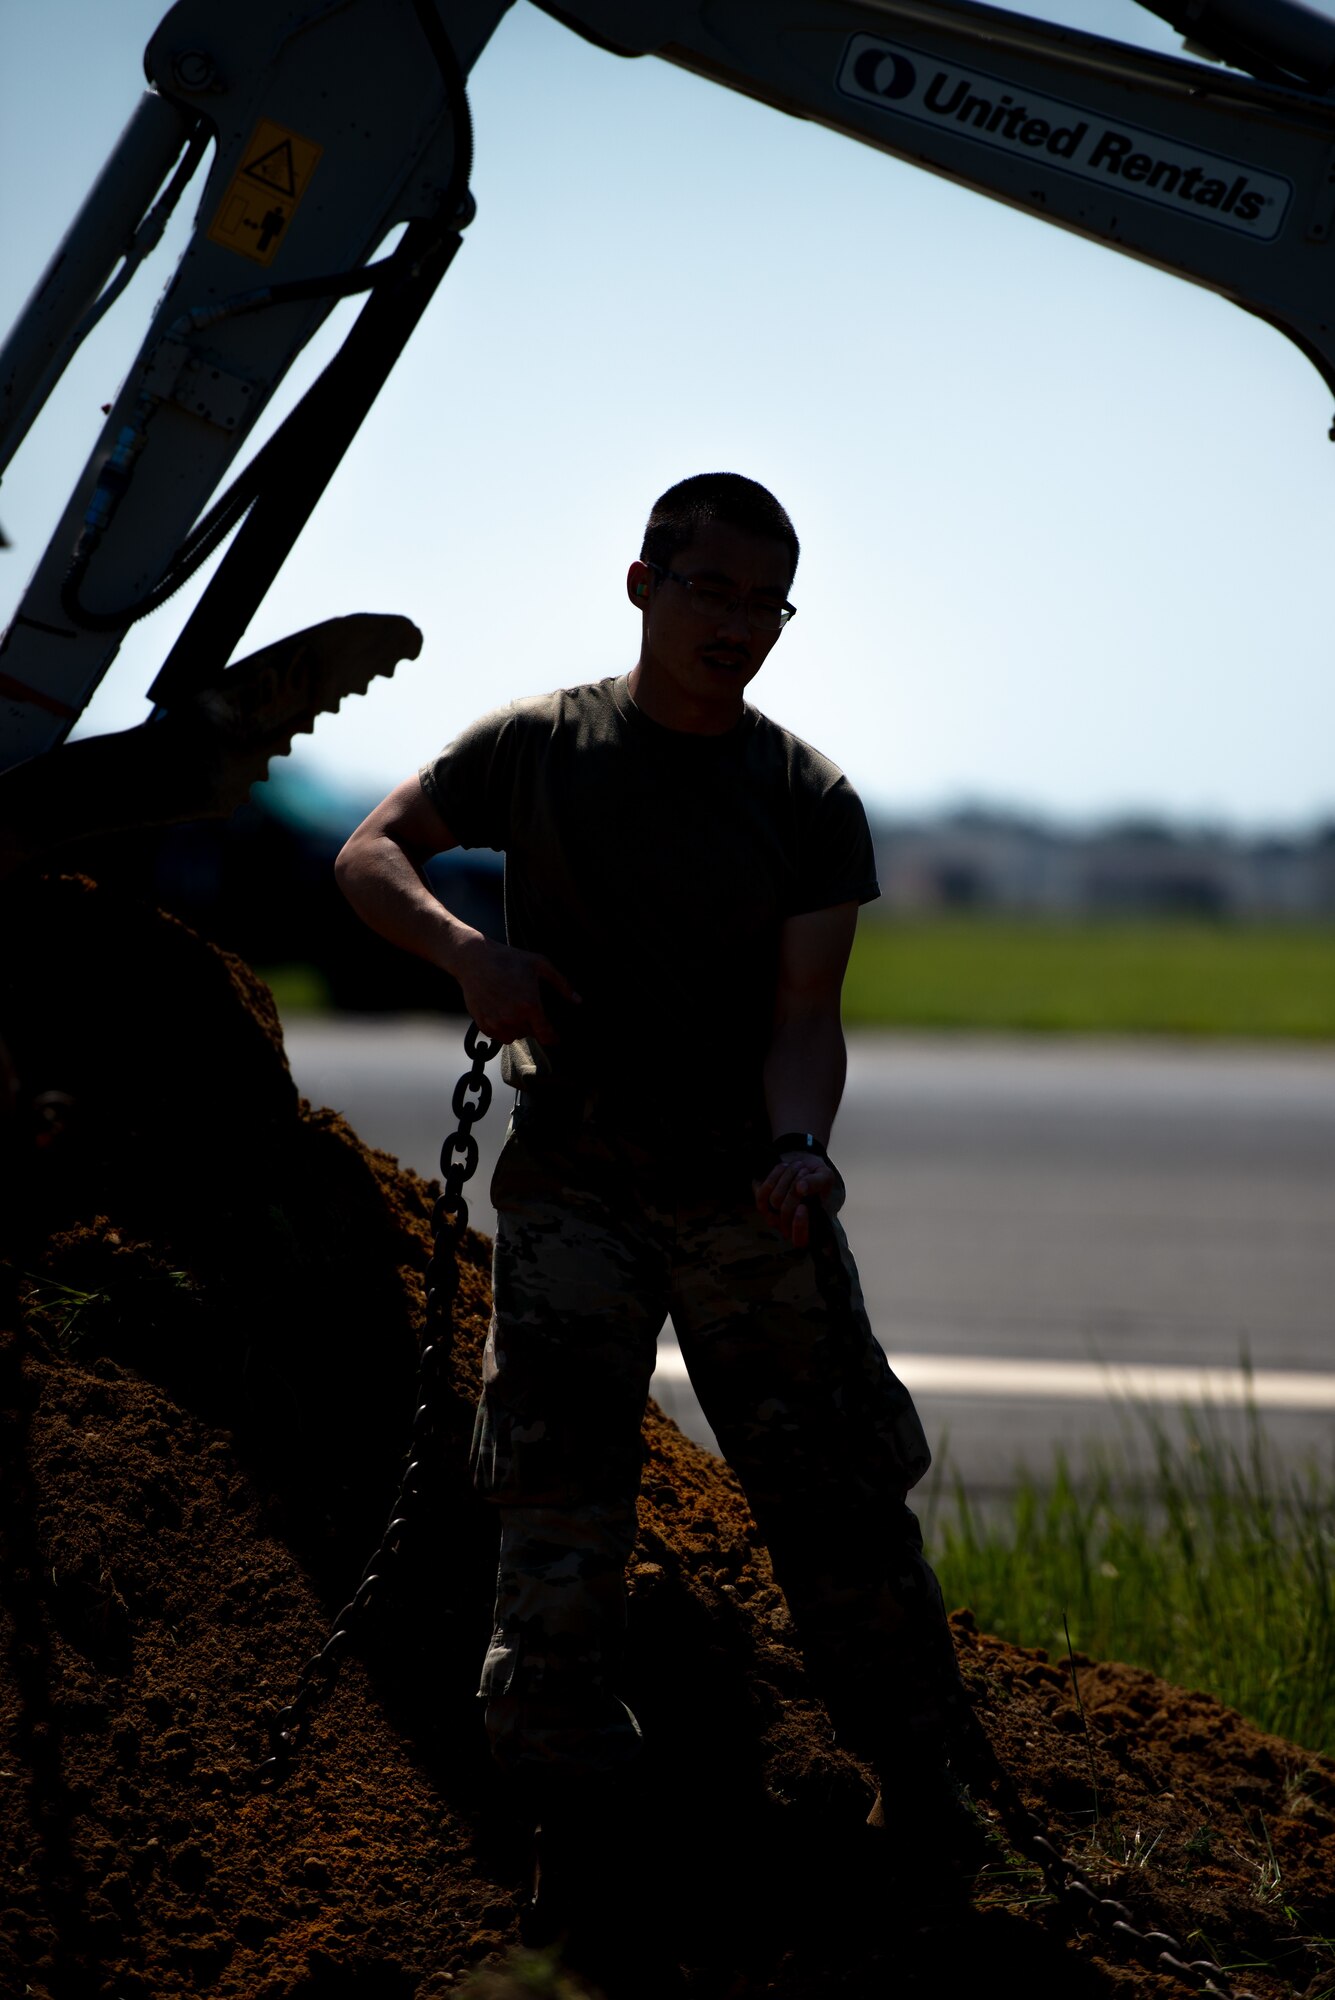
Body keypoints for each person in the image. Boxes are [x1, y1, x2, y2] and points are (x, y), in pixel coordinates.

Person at [335, 472, 971, 1942]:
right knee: (555, 1507)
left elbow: (808, 1013)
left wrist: (804, 1139)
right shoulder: (538, 747)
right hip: (576, 1189)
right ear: (643, 585)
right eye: (713, 592)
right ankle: (579, 1831)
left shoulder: (808, 799)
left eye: (768, 604)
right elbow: (369, 854)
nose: (739, 626)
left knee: (838, 1504)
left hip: (752, 1196)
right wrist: (467, 956)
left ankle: (929, 1802)